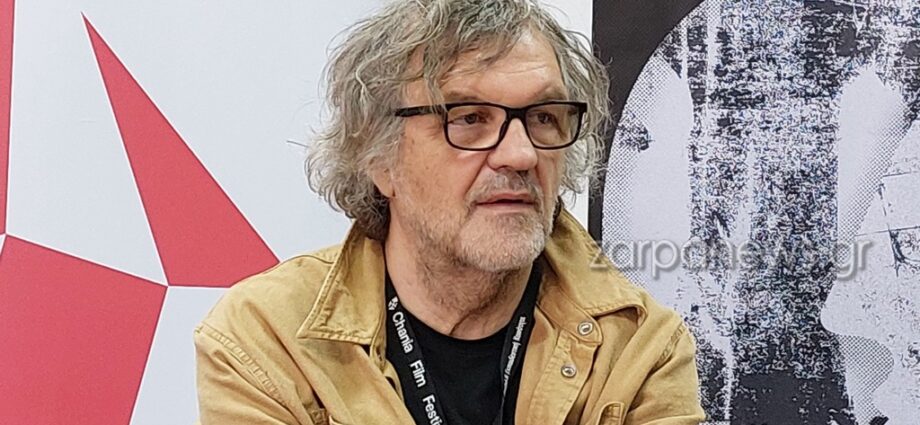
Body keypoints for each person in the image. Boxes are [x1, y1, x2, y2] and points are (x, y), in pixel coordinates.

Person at [194, 0, 705, 424]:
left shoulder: (639, 347)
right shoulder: (268, 337)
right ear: (378, 156)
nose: (521, 154)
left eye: (544, 117)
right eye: (469, 118)